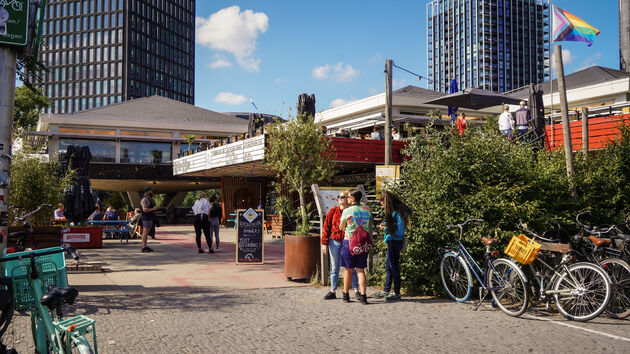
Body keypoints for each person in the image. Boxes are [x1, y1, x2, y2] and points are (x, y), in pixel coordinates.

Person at [321, 191, 359, 300]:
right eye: (339, 197)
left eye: (343, 197)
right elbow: (326, 227)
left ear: (348, 199)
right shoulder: (333, 211)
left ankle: (356, 289)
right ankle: (333, 290)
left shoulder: (352, 211)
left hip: (348, 241)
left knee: (351, 266)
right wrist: (324, 243)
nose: (340, 198)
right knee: (334, 267)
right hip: (335, 241)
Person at [373, 191, 410, 301]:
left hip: (395, 241)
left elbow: (399, 230)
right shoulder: (395, 211)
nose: (383, 207)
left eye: (383, 204)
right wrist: (386, 227)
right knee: (388, 266)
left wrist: (386, 228)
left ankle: (397, 292)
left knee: (394, 267)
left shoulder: (397, 212)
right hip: (392, 240)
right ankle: (386, 289)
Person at [340, 189, 372, 304]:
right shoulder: (367, 210)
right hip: (363, 243)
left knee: (348, 270)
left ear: (352, 199)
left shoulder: (347, 211)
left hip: (349, 242)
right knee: (360, 270)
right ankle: (363, 296)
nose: (347, 199)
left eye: (348, 197)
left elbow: (341, 227)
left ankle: (346, 295)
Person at [140, 186, 158, 253]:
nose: (152, 192)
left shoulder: (148, 199)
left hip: (149, 217)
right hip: (146, 217)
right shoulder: (144, 199)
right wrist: (154, 209)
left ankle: (145, 246)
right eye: (151, 191)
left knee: (147, 232)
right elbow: (144, 209)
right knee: (145, 232)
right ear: (147, 191)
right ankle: (144, 247)